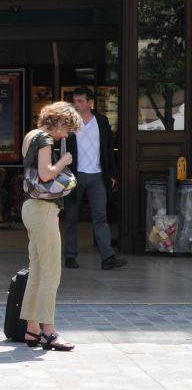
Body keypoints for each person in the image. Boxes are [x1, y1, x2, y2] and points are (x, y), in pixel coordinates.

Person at [19, 101, 82, 352]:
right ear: (59, 121)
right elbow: (46, 174)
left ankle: (31, 328)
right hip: (43, 210)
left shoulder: (31, 135)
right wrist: (63, 161)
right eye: (67, 128)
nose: (66, 134)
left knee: (37, 270)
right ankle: (49, 331)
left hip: (30, 208)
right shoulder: (45, 139)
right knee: (51, 273)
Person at [63, 86, 127, 271]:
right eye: (74, 101)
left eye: (80, 101)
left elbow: (108, 150)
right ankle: (70, 257)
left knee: (100, 217)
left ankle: (108, 258)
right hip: (76, 176)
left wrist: (113, 174)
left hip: (98, 176)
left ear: (90, 103)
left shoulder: (102, 121)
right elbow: (63, 149)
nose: (76, 104)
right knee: (71, 218)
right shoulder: (69, 122)